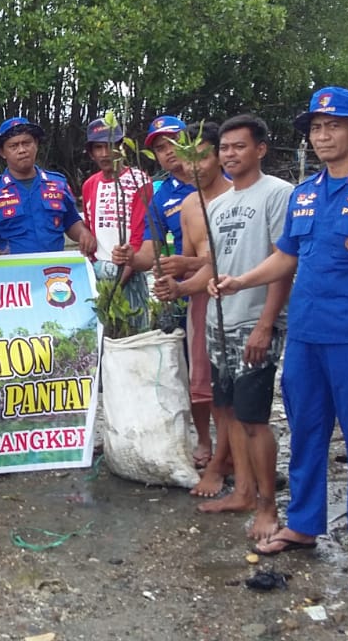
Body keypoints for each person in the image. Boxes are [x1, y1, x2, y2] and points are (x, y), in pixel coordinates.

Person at [213, 87, 348, 572]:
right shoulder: (304, 194)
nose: (323, 135)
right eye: (316, 127)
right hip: (306, 337)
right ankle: (304, 525)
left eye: (333, 125)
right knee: (306, 432)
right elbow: (287, 256)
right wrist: (242, 279)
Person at [154, 115, 292, 539]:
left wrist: (266, 324)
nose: (231, 155)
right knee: (228, 411)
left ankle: (268, 507)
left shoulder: (279, 194)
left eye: (238, 147)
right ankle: (245, 492)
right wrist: (180, 288)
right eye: (226, 148)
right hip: (219, 320)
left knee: (254, 419)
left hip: (253, 319)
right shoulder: (217, 206)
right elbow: (213, 267)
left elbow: (285, 262)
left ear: (261, 150)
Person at [114, 115, 219, 477]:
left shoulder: (225, 181)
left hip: (231, 288)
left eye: (174, 142)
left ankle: (237, 449)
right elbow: (150, 252)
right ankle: (204, 440)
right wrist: (131, 257)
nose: (169, 152)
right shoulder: (156, 194)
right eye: (160, 148)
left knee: (233, 375)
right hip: (187, 293)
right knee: (195, 373)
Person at [0, 116, 96, 256]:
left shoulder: (58, 184)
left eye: (27, 143)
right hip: (13, 273)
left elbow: (71, 221)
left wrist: (83, 233)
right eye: (13, 146)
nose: (22, 150)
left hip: (54, 271)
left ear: (36, 144)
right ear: (2, 152)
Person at [79, 117, 150, 282]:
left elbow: (139, 235)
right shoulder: (89, 185)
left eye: (110, 146)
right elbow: (90, 232)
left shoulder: (139, 180)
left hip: (131, 269)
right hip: (98, 268)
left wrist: (119, 284)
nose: (104, 154)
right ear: (91, 153)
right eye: (98, 148)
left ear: (121, 147)